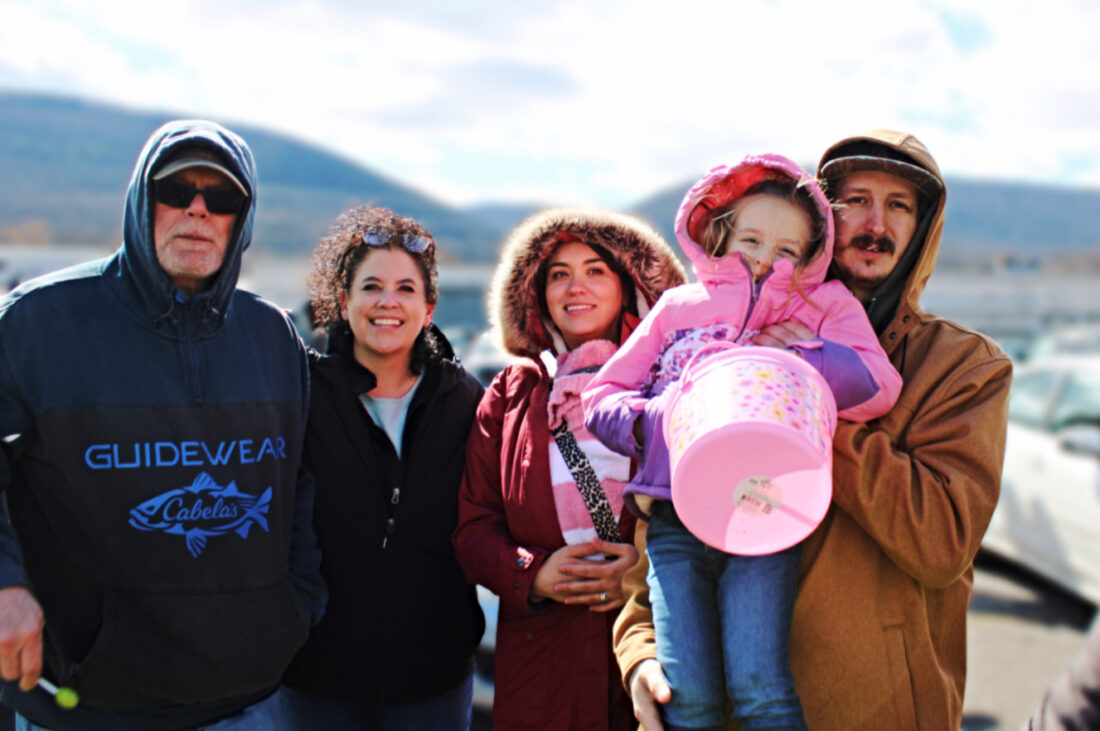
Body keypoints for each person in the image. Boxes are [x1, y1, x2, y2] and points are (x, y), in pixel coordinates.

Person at [615, 130, 1013, 730]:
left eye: (899, 205)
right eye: (856, 201)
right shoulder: (734, 329)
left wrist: (800, 402)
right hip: (727, 709)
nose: (876, 223)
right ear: (822, 217)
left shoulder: (964, 365)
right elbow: (670, 513)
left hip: (874, 714)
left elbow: (942, 542)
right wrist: (641, 648)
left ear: (923, 228)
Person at [0, 120, 325, 729]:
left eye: (221, 198)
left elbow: (301, 485)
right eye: (176, 191)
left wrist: (296, 609)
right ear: (141, 204)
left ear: (242, 221)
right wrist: (4, 585)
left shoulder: (273, 336)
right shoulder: (37, 322)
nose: (198, 210)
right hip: (84, 706)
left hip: (252, 703)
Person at [582, 154, 902, 730]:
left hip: (765, 507)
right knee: (687, 696)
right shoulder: (678, 307)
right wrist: (656, 421)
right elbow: (602, 394)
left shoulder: (823, 305)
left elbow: (880, 385)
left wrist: (805, 356)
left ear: (811, 256)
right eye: (751, 239)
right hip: (676, 514)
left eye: (786, 250)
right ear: (720, 235)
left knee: (761, 689)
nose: (764, 259)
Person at [453, 208, 685, 729]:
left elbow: (707, 511)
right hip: (541, 672)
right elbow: (473, 528)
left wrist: (643, 572)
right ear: (539, 297)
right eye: (559, 274)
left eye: (595, 270)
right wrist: (532, 573)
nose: (575, 286)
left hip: (655, 656)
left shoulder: (674, 387)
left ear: (628, 286)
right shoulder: (511, 396)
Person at [278, 205, 485, 729]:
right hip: (314, 681)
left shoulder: (466, 401)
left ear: (428, 309)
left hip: (433, 684)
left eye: (406, 289)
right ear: (343, 302)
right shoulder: (301, 396)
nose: (388, 302)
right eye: (371, 286)